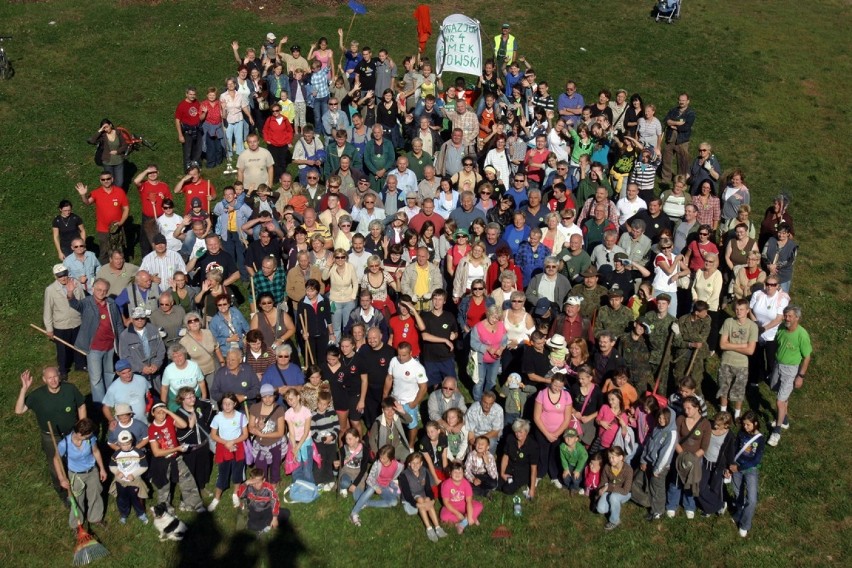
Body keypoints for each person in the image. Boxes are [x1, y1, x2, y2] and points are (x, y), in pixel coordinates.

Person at [15, 367, 87, 503]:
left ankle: (80, 488)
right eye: (49, 378)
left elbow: (81, 405)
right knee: (56, 466)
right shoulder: (38, 395)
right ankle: (64, 494)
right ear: (44, 380)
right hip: (51, 437)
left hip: (72, 434)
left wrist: (82, 427)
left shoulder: (70, 389)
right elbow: (19, 410)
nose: (53, 380)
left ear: (59, 377)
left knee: (76, 461)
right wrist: (24, 388)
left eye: (55, 377)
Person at [68, 278, 123, 404]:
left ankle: (110, 401)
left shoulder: (111, 303)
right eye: (99, 289)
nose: (101, 292)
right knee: (96, 378)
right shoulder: (87, 303)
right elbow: (75, 304)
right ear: (93, 288)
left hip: (110, 346)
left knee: (109, 374)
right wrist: (70, 293)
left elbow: (118, 324)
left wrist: (120, 343)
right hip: (94, 348)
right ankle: (100, 404)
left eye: (104, 290)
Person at [767, 305, 812, 447]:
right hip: (778, 365)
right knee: (781, 396)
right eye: (785, 315)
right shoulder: (781, 328)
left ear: (797, 318)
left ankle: (777, 432)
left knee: (780, 401)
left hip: (791, 370)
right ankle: (784, 420)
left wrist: (801, 376)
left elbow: (807, 357)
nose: (786, 318)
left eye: (790, 316)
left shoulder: (802, 334)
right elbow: (777, 344)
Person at [54, 417, 107, 529]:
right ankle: (76, 525)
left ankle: (95, 518)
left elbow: (96, 451)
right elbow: (56, 459)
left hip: (92, 471)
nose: (89, 437)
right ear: (78, 433)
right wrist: (62, 478)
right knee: (77, 500)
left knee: (95, 495)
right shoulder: (65, 444)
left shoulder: (90, 438)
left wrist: (102, 468)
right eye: (86, 436)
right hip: (76, 475)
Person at [665, 396, 710, 519]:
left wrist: (693, 458)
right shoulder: (680, 419)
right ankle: (671, 505)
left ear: (697, 408)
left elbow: (704, 446)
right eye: (684, 408)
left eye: (689, 408)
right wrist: (682, 455)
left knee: (691, 482)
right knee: (675, 481)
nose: (686, 411)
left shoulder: (705, 424)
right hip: (680, 456)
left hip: (695, 458)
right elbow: (675, 439)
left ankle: (689, 505)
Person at [74, 172, 130, 264]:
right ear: (100, 181)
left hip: (117, 228)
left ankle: (120, 271)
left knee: (119, 251)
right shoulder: (96, 192)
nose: (106, 181)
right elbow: (87, 202)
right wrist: (83, 195)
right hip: (103, 229)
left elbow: (126, 208)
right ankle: (104, 273)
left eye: (108, 179)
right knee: (104, 252)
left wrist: (121, 222)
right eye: (103, 179)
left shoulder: (120, 192)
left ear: (112, 179)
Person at [207, 393, 250, 511]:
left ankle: (235, 494)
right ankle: (216, 498)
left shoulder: (241, 416)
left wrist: (233, 442)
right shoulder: (217, 417)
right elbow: (213, 435)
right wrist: (226, 443)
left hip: (238, 447)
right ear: (221, 405)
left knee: (237, 472)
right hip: (223, 447)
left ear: (235, 404)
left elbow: (245, 434)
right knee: (222, 473)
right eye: (224, 403)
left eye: (229, 404)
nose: (227, 406)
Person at [718, 300, 759, 418]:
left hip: (742, 364)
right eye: (737, 309)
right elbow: (722, 345)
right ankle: (723, 412)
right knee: (723, 388)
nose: (739, 312)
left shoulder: (752, 326)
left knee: (739, 390)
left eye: (741, 309)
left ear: (747, 311)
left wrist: (730, 345)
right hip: (726, 361)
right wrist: (742, 345)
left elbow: (750, 351)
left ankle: (737, 414)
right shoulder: (728, 322)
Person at [730, 411, 766, 537]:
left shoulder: (760, 439)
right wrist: (730, 464)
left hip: (750, 470)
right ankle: (739, 513)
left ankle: (745, 524)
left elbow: (756, 460)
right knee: (738, 494)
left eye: (748, 425)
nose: (745, 427)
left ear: (755, 423)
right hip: (735, 467)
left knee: (752, 499)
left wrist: (738, 468)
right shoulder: (741, 433)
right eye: (744, 424)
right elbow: (734, 448)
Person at [350, 444, 404, 527]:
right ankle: (354, 513)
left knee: (394, 502)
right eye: (380, 457)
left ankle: (366, 502)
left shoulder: (398, 466)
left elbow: (394, 478)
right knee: (371, 489)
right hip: (374, 484)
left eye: (384, 458)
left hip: (385, 486)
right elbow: (369, 479)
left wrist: (393, 486)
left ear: (391, 458)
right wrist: (376, 487)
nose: (380, 459)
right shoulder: (377, 463)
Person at [748, 276, 789, 386]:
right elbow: (750, 310)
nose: (770, 287)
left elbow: (779, 318)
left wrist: (764, 329)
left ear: (777, 286)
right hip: (757, 331)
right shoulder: (757, 294)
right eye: (768, 284)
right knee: (757, 356)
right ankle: (758, 377)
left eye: (773, 285)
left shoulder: (782, 299)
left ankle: (771, 376)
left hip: (772, 334)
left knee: (771, 359)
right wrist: (756, 324)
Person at [534, 373, 573, 487]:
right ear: (551, 382)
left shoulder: (566, 396)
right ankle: (540, 474)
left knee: (554, 454)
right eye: (555, 385)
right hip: (542, 430)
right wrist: (547, 434)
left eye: (560, 386)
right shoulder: (542, 394)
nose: (557, 388)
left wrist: (556, 434)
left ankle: (554, 476)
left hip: (559, 432)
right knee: (542, 453)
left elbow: (567, 418)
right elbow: (536, 416)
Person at [236, 467, 290, 534]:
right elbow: (239, 495)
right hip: (254, 510)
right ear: (251, 480)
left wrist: (275, 517)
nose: (256, 485)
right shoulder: (248, 487)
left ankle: (266, 524)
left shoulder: (268, 487)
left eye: (258, 482)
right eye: (254, 482)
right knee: (251, 525)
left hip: (267, 509)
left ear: (264, 480)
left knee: (286, 513)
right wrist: (246, 483)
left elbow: (274, 501)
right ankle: (267, 524)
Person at [660, 93, 696, 187]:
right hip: (670, 139)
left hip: (682, 141)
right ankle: (665, 180)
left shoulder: (690, 113)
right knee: (666, 160)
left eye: (683, 100)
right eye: (680, 100)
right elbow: (666, 120)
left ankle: (680, 181)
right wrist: (677, 123)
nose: (681, 102)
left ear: (688, 101)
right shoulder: (673, 110)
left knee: (682, 163)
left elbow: (686, 127)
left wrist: (674, 126)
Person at [499, 418, 539, 499]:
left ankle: (523, 485)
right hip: (509, 467)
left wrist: (532, 489)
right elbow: (505, 456)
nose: (518, 434)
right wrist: (502, 473)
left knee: (507, 489)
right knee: (496, 483)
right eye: (516, 431)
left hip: (522, 472)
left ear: (526, 432)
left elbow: (533, 468)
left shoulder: (533, 445)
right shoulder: (510, 438)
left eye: (520, 432)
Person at [102, 359, 149, 426]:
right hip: (125, 425)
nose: (128, 375)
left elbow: (149, 396)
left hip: (144, 422)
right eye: (123, 373)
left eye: (129, 371)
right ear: (118, 373)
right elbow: (106, 408)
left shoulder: (142, 380)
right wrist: (112, 420)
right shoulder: (113, 388)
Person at [595, 446, 633, 530]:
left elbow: (625, 491)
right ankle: (614, 507)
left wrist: (608, 487)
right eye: (609, 457)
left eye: (613, 457)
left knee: (614, 497)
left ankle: (614, 521)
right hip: (610, 490)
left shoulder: (628, 470)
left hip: (624, 493)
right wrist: (597, 496)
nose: (610, 459)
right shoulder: (607, 467)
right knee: (600, 509)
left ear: (621, 457)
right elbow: (602, 483)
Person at [88, 118, 129, 189]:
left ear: (110, 125)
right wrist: (99, 131)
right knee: (110, 182)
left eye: (106, 127)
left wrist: (117, 151)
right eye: (104, 128)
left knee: (119, 183)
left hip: (118, 162)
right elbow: (92, 141)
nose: (106, 129)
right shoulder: (103, 135)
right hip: (107, 162)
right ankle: (112, 198)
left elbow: (125, 145)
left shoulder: (118, 133)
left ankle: (117, 195)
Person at [175, 87, 204, 169]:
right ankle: (188, 167)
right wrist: (180, 135)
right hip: (188, 131)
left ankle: (196, 165)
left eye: (194, 94)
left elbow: (200, 116)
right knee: (187, 151)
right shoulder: (182, 105)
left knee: (198, 149)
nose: (192, 96)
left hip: (197, 129)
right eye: (190, 94)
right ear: (186, 94)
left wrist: (205, 112)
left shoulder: (196, 102)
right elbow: (177, 120)